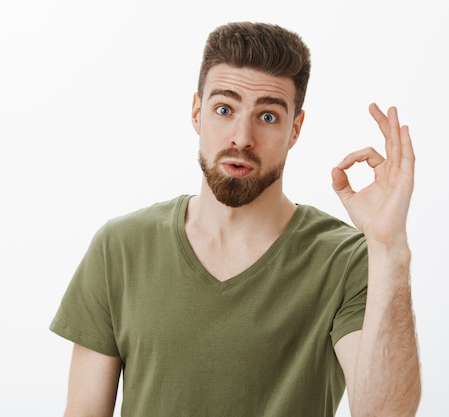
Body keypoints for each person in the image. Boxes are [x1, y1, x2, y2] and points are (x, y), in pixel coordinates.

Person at [50, 22, 421, 416]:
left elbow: (385, 413)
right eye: (225, 109)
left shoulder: (347, 259)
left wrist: (389, 246)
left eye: (267, 117)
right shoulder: (120, 248)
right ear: (197, 112)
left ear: (295, 129)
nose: (241, 137)